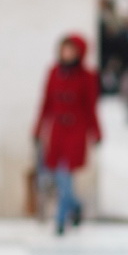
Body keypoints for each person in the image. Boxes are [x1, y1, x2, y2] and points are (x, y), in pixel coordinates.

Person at [32, 34, 101, 236]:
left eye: (71, 50)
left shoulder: (87, 76)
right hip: (57, 132)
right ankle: (76, 206)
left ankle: (60, 220)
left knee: (65, 174)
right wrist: (38, 129)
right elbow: (46, 103)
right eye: (64, 49)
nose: (67, 54)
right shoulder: (54, 72)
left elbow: (91, 107)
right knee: (56, 174)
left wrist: (96, 131)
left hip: (76, 131)